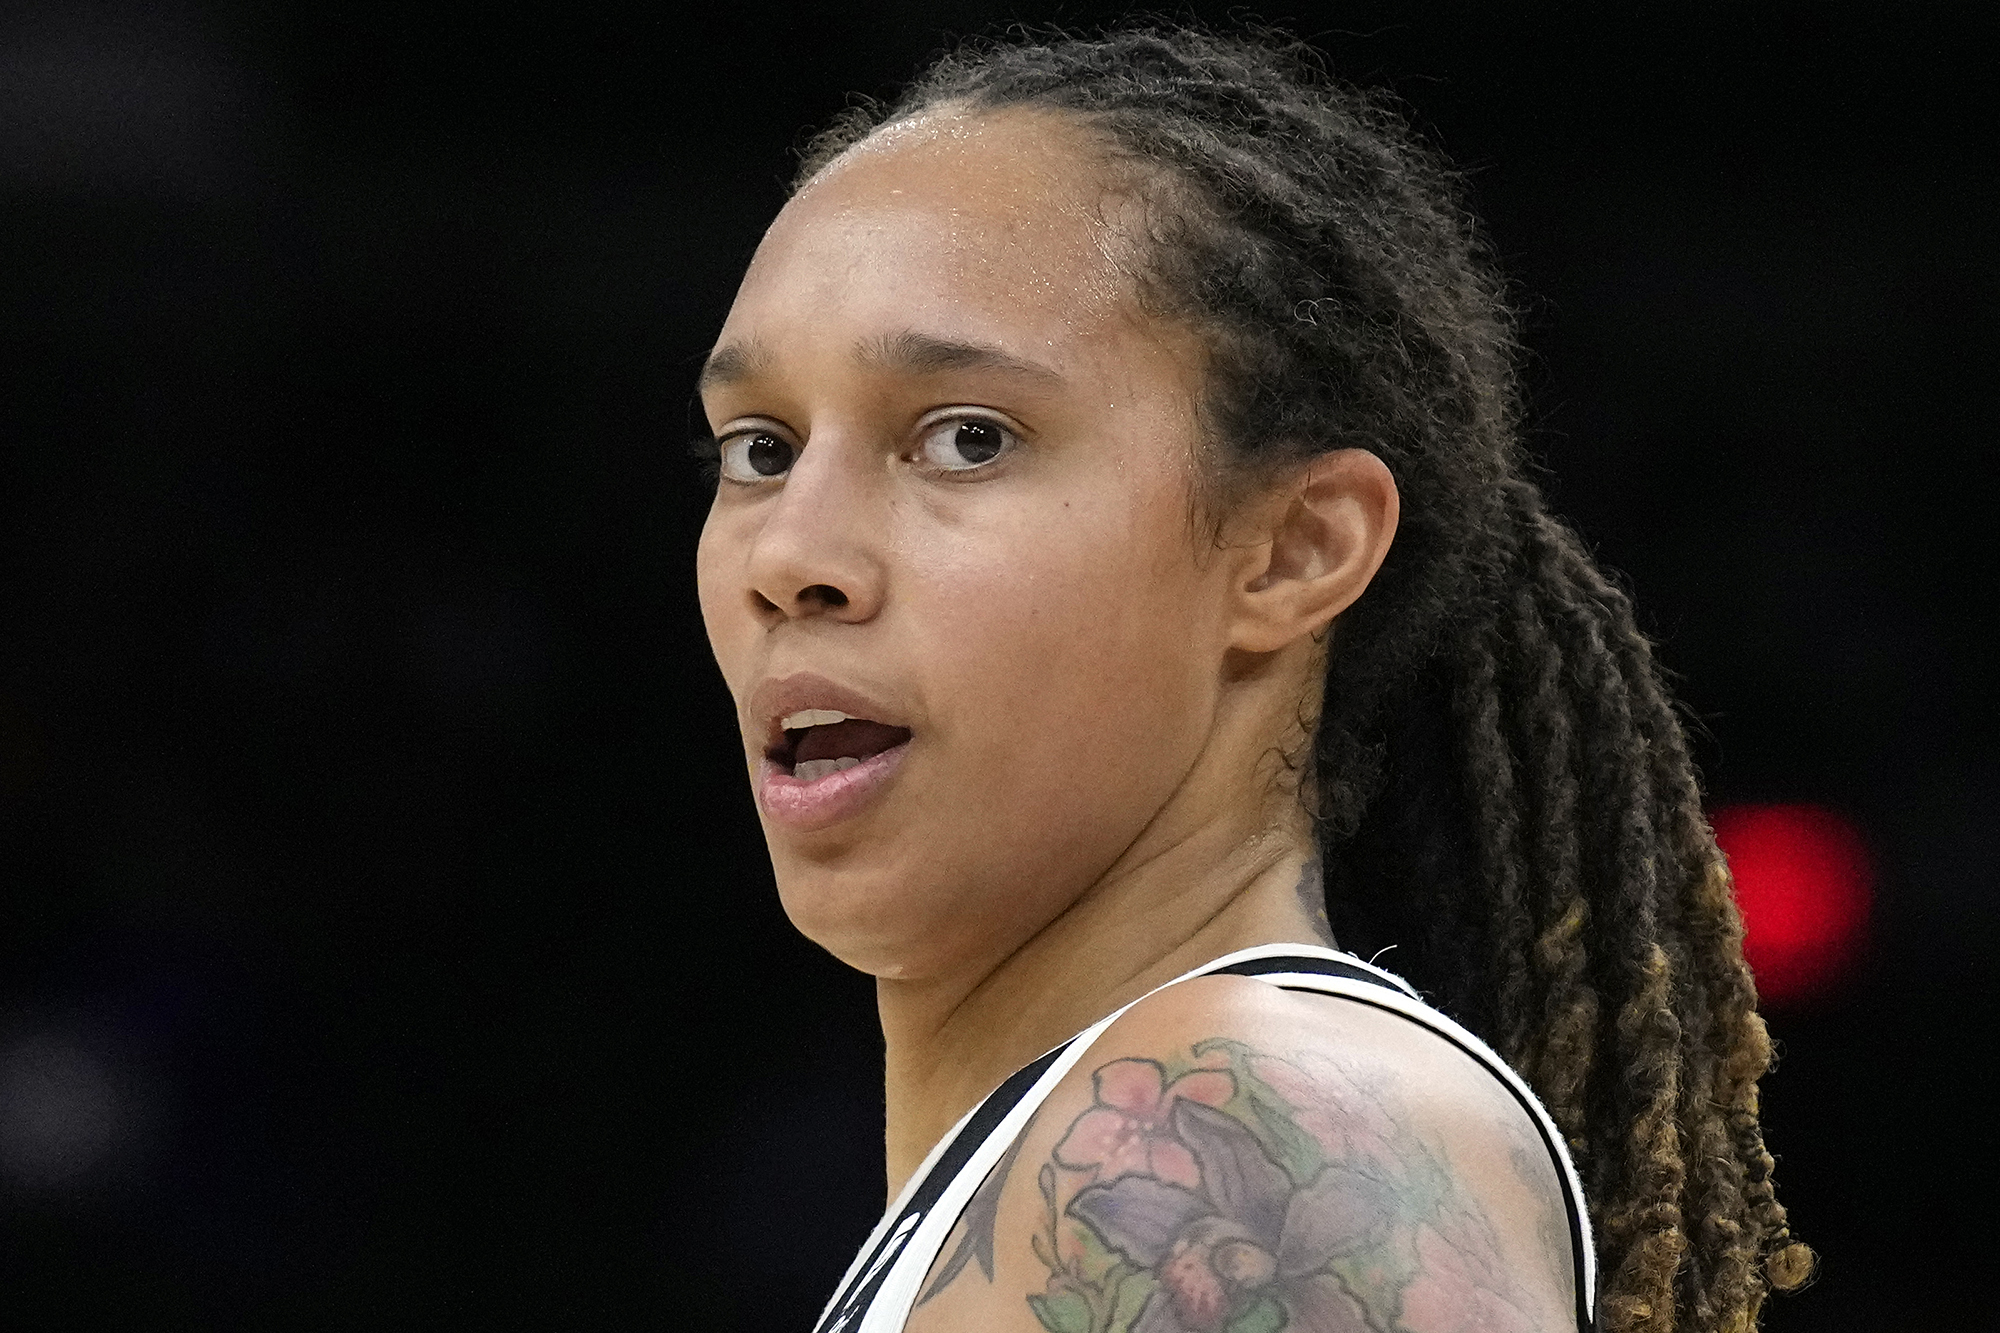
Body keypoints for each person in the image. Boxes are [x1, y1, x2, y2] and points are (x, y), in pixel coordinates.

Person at [693, 25, 1809, 1333]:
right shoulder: (1072, 1151)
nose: (790, 552)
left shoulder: (1245, 1129)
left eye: (967, 438)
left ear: (1292, 549)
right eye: (760, 448)